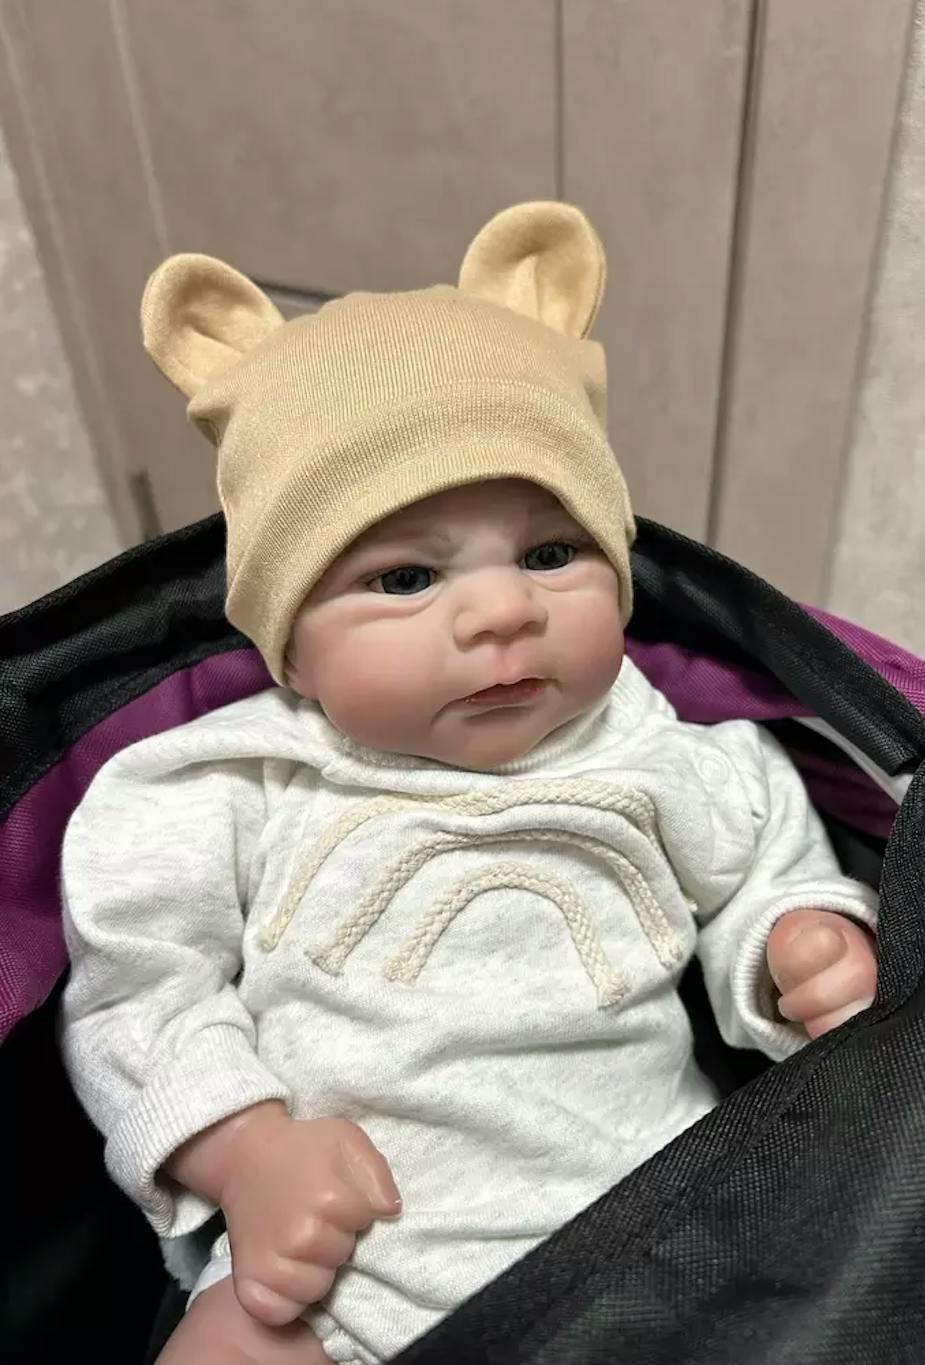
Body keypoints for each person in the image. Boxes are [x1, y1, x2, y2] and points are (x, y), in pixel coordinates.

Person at [60, 202, 879, 1365]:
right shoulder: (229, 780)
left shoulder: (662, 751)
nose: (503, 609)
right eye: (404, 577)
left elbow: (766, 869)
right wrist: (243, 1152)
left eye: (550, 554)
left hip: (647, 1237)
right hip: (332, 1261)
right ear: (288, 649)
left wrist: (796, 942)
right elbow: (139, 991)